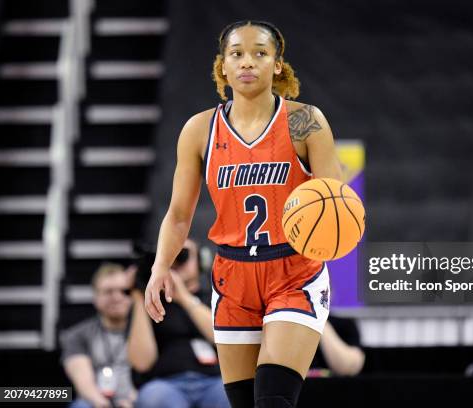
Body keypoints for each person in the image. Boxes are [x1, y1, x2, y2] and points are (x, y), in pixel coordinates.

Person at [144, 20, 342, 408]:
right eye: (236, 54)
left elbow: (337, 202)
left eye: (260, 53)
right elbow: (179, 214)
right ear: (223, 66)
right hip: (232, 275)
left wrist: (334, 225)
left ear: (277, 65)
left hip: (293, 270)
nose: (247, 62)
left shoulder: (304, 121)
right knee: (245, 403)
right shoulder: (200, 129)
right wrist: (159, 267)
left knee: (273, 399)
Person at [128, 238, 229, 408]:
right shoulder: (152, 303)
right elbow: (141, 363)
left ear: (201, 262)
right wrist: (139, 294)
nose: (176, 261)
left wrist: (184, 298)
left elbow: (224, 338)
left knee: (232, 396)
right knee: (154, 398)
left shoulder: (216, 298)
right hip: (166, 384)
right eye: (171, 255)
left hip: (215, 381)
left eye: (183, 255)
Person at [60, 263, 136, 408]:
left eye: (124, 291)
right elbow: (83, 382)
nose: (117, 297)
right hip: (96, 401)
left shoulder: (146, 331)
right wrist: (101, 403)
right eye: (108, 292)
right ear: (95, 297)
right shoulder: (77, 335)